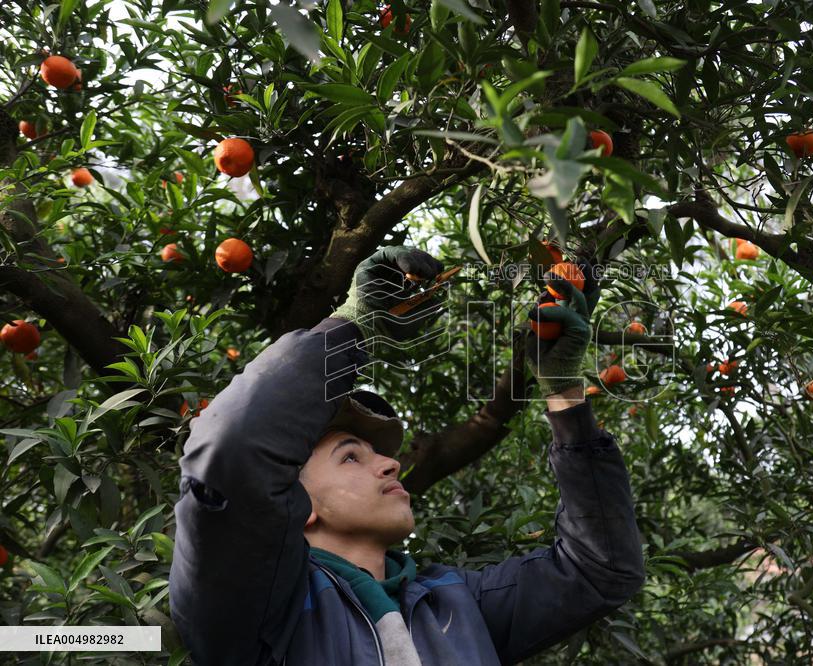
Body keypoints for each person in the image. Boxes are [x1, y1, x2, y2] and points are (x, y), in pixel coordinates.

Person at [168, 245, 645, 665]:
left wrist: (564, 395)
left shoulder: (459, 606)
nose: (391, 463)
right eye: (350, 456)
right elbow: (230, 452)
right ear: (296, 503)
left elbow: (601, 568)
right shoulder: (259, 611)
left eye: (377, 453)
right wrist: (353, 325)